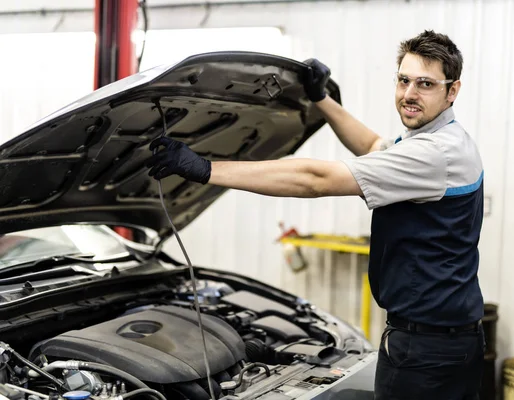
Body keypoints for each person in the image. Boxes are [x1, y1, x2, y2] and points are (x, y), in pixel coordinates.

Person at [145, 30, 485, 400]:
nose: (408, 94)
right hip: (444, 339)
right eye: (403, 80)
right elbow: (373, 146)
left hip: (426, 350)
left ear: (452, 91)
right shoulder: (439, 141)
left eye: (425, 84)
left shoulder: (434, 154)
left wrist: (206, 169)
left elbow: (316, 180)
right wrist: (320, 98)